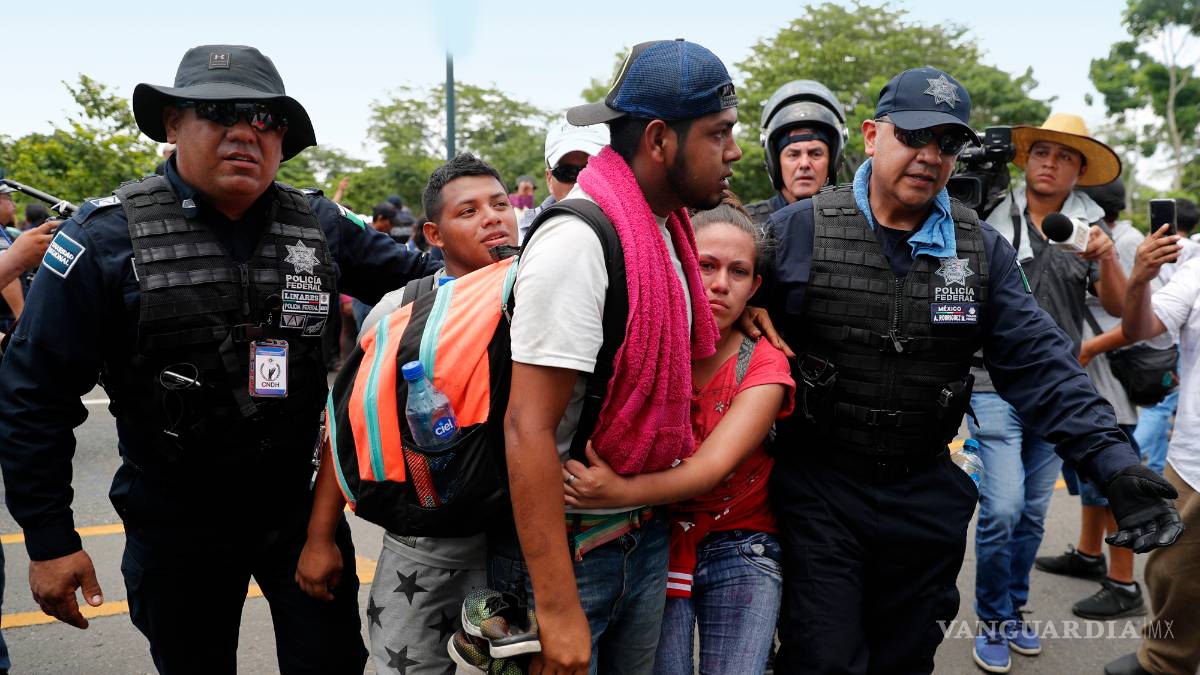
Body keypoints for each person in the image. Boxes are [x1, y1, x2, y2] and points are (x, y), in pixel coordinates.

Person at [0, 45, 436, 675]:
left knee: (331, 662)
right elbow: (33, 394)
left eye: (266, 119)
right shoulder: (104, 238)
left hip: (298, 513)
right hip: (175, 519)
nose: (244, 132)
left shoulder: (319, 223)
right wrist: (49, 539)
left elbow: (431, 283)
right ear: (173, 124)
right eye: (219, 112)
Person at [762, 66, 1181, 675]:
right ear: (873, 135)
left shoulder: (981, 249)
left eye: (947, 142)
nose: (930, 155)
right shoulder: (794, 232)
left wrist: (1114, 464)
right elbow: (711, 314)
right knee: (823, 659)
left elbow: (1041, 363)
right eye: (914, 135)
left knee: (905, 660)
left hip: (922, 499)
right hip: (820, 494)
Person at [494, 38, 740, 674]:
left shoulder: (666, 232)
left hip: (641, 534)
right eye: (718, 133)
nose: (734, 151)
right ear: (659, 140)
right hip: (572, 550)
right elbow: (527, 427)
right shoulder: (579, 242)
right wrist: (556, 608)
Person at [297, 152, 518, 674]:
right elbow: (346, 426)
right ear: (433, 235)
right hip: (424, 546)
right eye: (468, 211)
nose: (492, 218)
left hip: (523, 545)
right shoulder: (400, 310)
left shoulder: (543, 294)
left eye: (500, 204)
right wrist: (319, 537)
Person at [563, 197, 793, 674]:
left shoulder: (763, 362)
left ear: (755, 286)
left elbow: (708, 469)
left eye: (738, 272)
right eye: (706, 265)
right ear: (680, 263)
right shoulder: (648, 340)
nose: (720, 284)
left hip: (741, 542)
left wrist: (615, 492)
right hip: (653, 538)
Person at [962, 111, 1130, 671]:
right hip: (992, 383)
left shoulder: (1089, 229)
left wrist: (1107, 257)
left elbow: (1119, 307)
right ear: (1025, 160)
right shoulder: (988, 214)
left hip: (1056, 390)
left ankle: (1013, 608)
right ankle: (992, 617)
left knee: (1033, 513)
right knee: (1004, 507)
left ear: (1079, 172)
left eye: (1064, 157)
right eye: (1042, 152)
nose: (1050, 164)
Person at [1034, 177, 1148, 621]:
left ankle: (1124, 583)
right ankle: (1087, 554)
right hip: (1086, 375)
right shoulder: (1077, 238)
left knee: (1116, 475)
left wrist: (1087, 349)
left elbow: (1140, 316)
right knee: (1088, 475)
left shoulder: (1121, 243)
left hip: (1108, 376)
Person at [1105, 225, 1197, 675]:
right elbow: (1140, 328)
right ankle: (1163, 661)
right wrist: (1139, 278)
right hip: (1195, 465)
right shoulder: (1196, 264)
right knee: (1172, 574)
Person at [745, 80, 848, 224]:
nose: (804, 164)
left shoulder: (856, 225)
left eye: (815, 154)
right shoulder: (745, 225)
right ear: (775, 162)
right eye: (793, 154)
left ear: (833, 161)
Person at [518, 116, 609, 242]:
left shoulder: (634, 229)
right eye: (567, 173)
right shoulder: (520, 237)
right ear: (549, 179)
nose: (580, 183)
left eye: (593, 171)